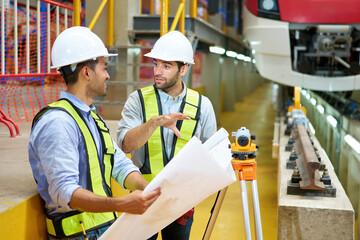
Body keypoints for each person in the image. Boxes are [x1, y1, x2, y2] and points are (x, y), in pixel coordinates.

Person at [28, 26, 161, 240]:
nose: (108, 75)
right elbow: (65, 191)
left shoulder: (92, 118)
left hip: (104, 229)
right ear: (86, 73)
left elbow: (118, 162)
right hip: (77, 235)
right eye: (104, 67)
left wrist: (147, 189)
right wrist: (121, 204)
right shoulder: (58, 123)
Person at [117, 31, 217, 240]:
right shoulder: (138, 100)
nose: (157, 72)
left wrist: (192, 194)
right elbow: (125, 145)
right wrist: (155, 123)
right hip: (143, 200)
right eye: (155, 64)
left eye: (166, 66)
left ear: (183, 69)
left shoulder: (202, 106)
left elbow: (211, 159)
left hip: (181, 205)